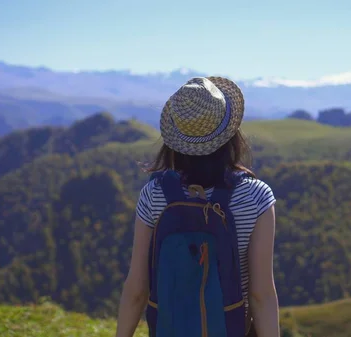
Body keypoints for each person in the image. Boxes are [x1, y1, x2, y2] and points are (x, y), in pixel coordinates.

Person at [114, 76, 279, 337]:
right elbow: (261, 295)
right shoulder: (256, 197)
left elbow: (137, 288)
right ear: (232, 134)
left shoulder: (154, 194)